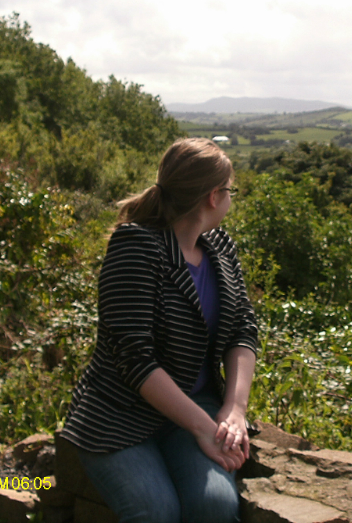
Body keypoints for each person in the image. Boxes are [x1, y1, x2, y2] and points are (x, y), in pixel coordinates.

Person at [60, 137, 258, 523]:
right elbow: (134, 358)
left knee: (215, 507)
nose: (231, 199)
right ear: (213, 197)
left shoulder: (220, 248)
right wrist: (203, 429)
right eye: (230, 191)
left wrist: (235, 409)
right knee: (155, 511)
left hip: (197, 404)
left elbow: (242, 329)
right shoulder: (135, 246)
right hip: (119, 413)